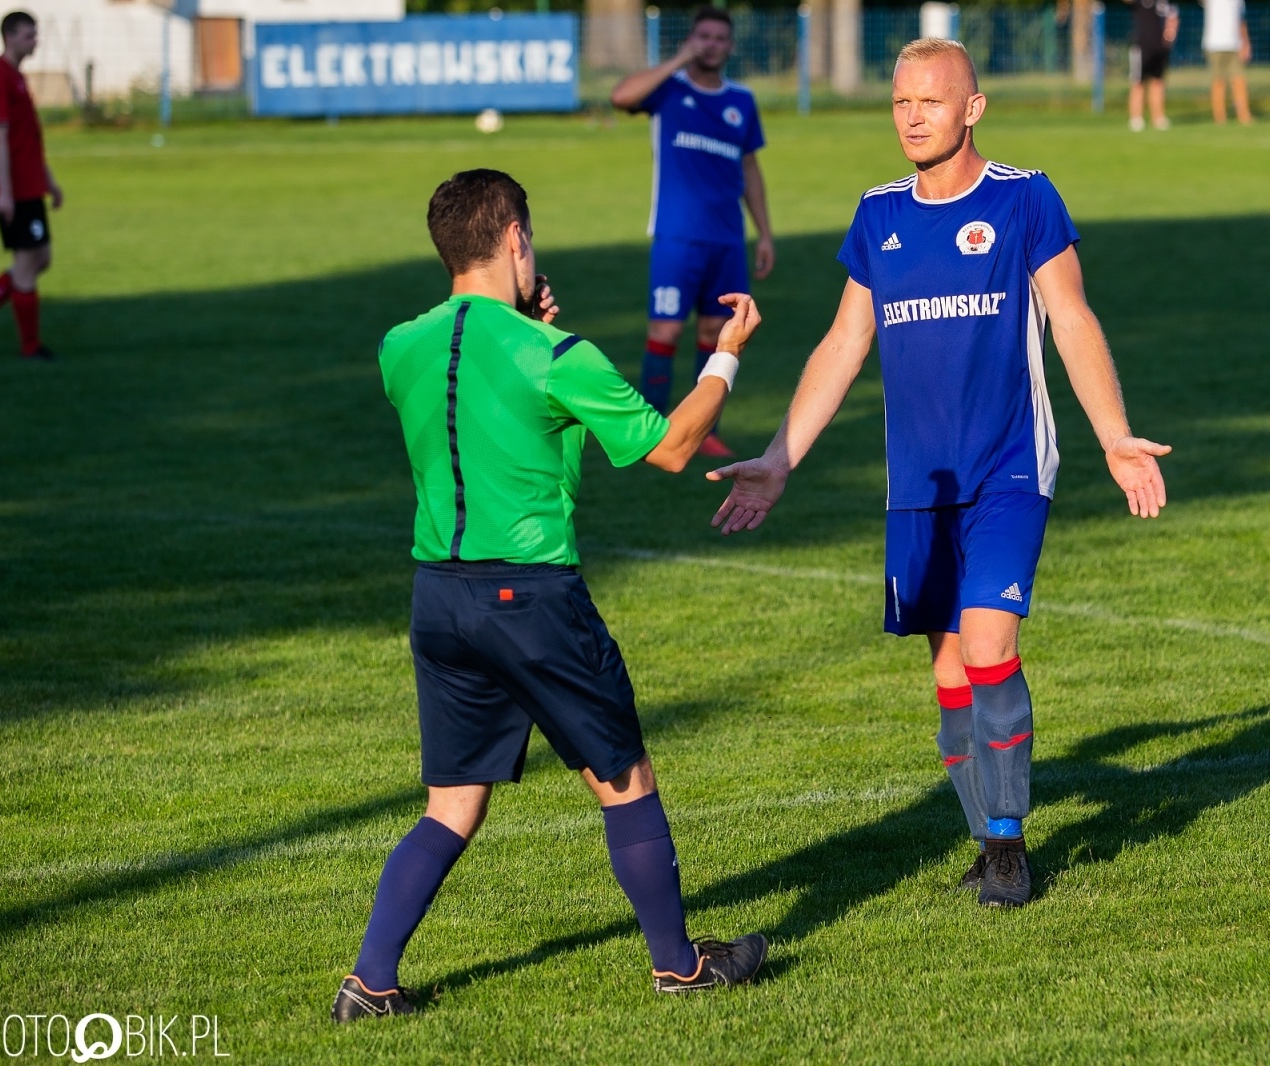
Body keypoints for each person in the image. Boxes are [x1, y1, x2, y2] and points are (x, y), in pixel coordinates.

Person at [705, 40, 1170, 909]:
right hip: (918, 483)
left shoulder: (1025, 198)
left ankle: (1005, 846)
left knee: (991, 646)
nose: (912, 116)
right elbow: (846, 343)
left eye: (930, 101)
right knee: (950, 673)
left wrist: (1113, 436)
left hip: (1007, 469)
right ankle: (984, 832)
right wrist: (778, 459)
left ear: (972, 109)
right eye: (899, 102)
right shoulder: (879, 215)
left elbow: (1070, 317)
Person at [333, 169, 767, 1022]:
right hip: (529, 599)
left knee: (452, 807)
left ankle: (370, 983)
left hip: (438, 600)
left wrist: (527, 341)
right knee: (624, 779)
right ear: (514, 240)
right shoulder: (557, 356)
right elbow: (672, 448)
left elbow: (509, 420)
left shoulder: (399, 346)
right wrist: (726, 353)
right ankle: (679, 967)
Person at [610, 6, 774, 459]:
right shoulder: (668, 92)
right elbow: (620, 96)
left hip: (726, 241)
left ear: (731, 46)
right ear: (691, 40)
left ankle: (703, 431)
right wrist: (677, 60)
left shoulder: (741, 101)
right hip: (676, 238)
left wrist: (763, 233)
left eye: (720, 38)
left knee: (718, 335)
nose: (711, 45)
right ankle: (649, 430)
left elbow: (750, 169)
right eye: (703, 36)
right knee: (664, 331)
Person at [0, 10, 61, 360]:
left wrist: (49, 181)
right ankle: (31, 346)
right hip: (17, 190)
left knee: (40, 257)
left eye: (35, 34)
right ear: (9, 36)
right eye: (29, 35)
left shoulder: (17, 78)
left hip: (30, 186)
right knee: (27, 262)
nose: (35, 41)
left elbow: (28, 140)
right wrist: (5, 193)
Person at [1128, 0, 1179, 131]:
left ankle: (1158, 118)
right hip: (1140, 48)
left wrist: (1169, 36)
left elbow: (1173, 18)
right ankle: (1136, 118)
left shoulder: (1165, 3)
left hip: (1160, 49)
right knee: (1138, 83)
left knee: (1158, 82)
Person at [1201, 0, 1252, 125]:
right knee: (1219, 81)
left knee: (1239, 80)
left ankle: (1243, 114)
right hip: (1214, 44)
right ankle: (1220, 117)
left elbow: (1241, 20)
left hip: (1234, 44)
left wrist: (1246, 42)